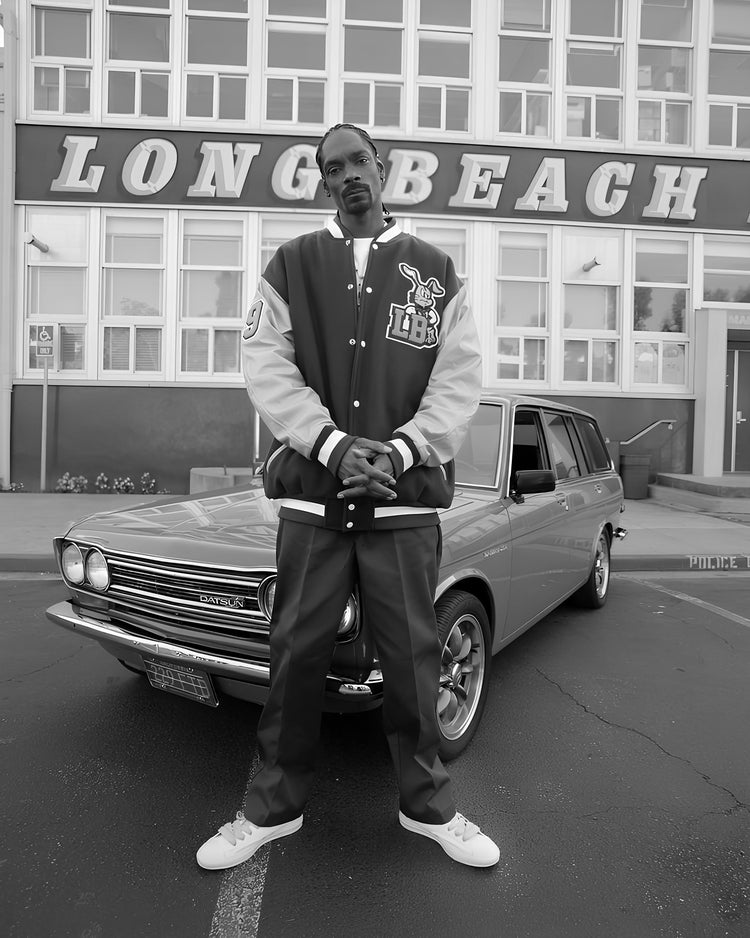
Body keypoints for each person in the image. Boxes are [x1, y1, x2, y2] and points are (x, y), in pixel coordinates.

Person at [196, 123, 499, 870]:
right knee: (295, 656)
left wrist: (396, 451)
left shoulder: (436, 273)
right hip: (313, 507)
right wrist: (332, 446)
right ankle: (271, 808)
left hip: (400, 509)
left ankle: (428, 805)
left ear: (382, 168)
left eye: (359, 160)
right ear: (324, 183)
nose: (349, 175)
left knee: (412, 662)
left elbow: (457, 383)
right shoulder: (292, 264)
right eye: (333, 168)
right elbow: (266, 366)